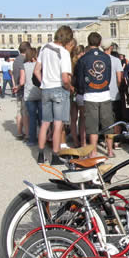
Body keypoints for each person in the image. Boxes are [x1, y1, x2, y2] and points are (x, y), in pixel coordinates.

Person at [33, 25, 74, 164]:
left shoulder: (44, 48)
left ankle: (40, 155)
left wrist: (43, 82)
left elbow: (36, 70)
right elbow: (64, 78)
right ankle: (55, 156)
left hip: (46, 89)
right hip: (59, 89)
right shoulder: (63, 52)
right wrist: (69, 87)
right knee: (57, 124)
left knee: (44, 124)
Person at [74, 32, 114, 158]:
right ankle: (110, 150)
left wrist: (81, 90)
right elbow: (109, 76)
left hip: (90, 94)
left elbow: (79, 79)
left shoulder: (83, 59)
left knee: (92, 126)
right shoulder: (106, 57)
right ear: (99, 42)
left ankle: (93, 151)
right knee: (108, 124)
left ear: (88, 42)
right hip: (104, 93)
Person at [103, 42, 124, 147]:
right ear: (111, 47)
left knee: (106, 119)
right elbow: (119, 79)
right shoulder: (116, 60)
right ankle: (116, 140)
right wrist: (118, 88)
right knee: (116, 118)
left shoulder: (100, 59)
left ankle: (107, 141)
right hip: (114, 92)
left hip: (102, 93)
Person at [23, 47, 42, 147]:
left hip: (29, 95)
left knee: (32, 118)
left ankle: (32, 140)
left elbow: (22, 81)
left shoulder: (24, 66)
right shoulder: (39, 65)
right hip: (40, 93)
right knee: (43, 119)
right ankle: (44, 137)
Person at [13, 41, 31, 140]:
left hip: (17, 89)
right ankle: (27, 134)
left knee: (19, 112)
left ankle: (19, 132)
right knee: (25, 113)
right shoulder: (25, 60)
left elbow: (13, 74)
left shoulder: (15, 60)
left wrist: (15, 86)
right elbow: (23, 79)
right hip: (23, 89)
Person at [69, 44, 86, 148]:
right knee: (83, 118)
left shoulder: (70, 63)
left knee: (73, 118)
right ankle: (83, 142)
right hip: (80, 91)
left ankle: (75, 141)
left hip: (71, 92)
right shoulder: (82, 63)